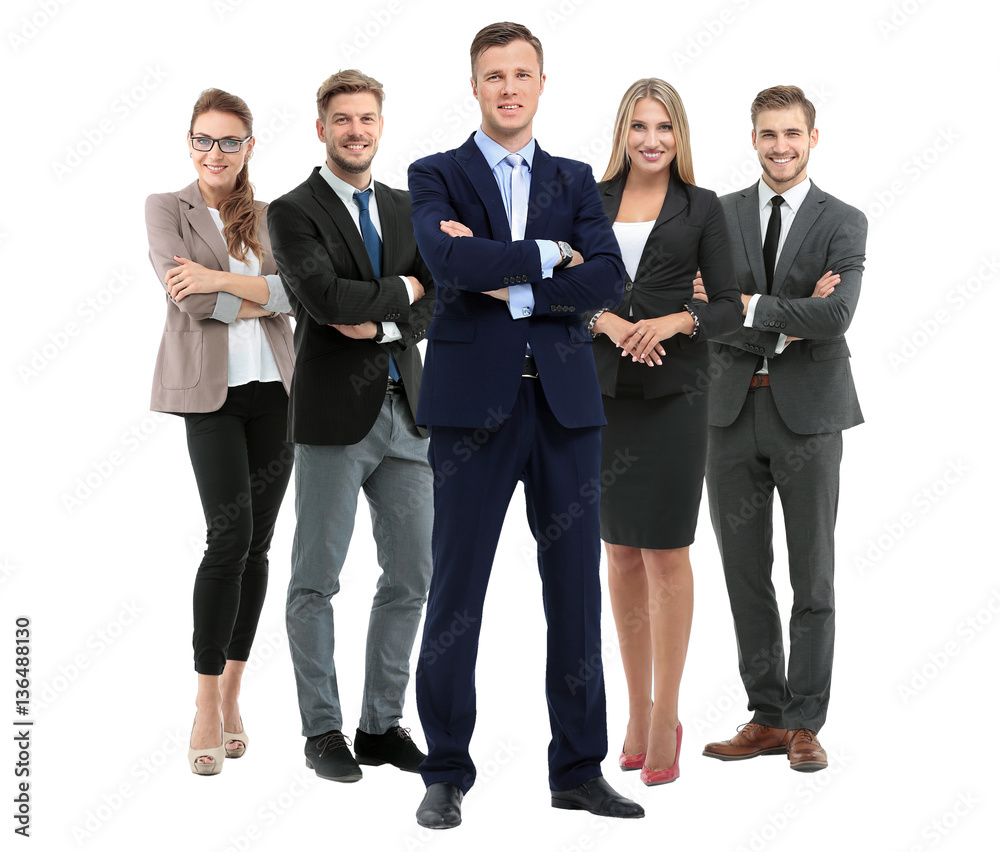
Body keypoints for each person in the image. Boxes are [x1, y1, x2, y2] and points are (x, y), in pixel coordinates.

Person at [408, 21, 643, 829]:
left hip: (567, 410)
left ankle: (578, 769)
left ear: (542, 84)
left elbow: (608, 278)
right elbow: (448, 265)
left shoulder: (578, 179)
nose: (509, 88)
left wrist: (506, 275)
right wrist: (549, 255)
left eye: (522, 74)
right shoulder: (433, 173)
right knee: (457, 594)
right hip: (470, 414)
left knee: (576, 596)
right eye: (494, 75)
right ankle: (444, 771)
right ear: (474, 86)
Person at [266, 70, 435, 783]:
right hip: (336, 418)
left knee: (412, 576)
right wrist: (402, 292)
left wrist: (387, 311)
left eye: (366, 118)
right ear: (321, 128)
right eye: (342, 120)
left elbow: (442, 299)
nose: (356, 131)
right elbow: (324, 298)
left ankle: (379, 724)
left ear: (380, 124)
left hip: (410, 415)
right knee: (316, 579)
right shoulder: (292, 209)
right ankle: (322, 731)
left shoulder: (406, 205)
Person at [698, 85, 867, 772]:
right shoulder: (717, 214)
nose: (780, 147)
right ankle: (766, 716)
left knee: (813, 576)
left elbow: (837, 318)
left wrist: (744, 305)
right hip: (728, 415)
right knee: (744, 574)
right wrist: (783, 323)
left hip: (810, 420)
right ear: (753, 138)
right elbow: (697, 310)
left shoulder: (843, 220)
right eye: (768, 134)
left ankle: (805, 723)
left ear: (813, 138)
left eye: (792, 134)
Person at [588, 79, 742, 787]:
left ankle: (666, 715)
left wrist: (675, 321)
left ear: (679, 136)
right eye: (640, 126)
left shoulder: (702, 207)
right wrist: (613, 323)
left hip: (676, 393)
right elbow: (563, 292)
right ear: (622, 131)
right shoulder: (586, 199)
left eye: (665, 128)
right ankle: (635, 706)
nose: (652, 140)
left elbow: (730, 307)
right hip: (602, 392)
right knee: (619, 552)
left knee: (666, 552)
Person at [145, 88, 295, 775]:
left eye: (230, 141)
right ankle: (205, 701)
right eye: (204, 139)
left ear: (249, 147)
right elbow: (192, 298)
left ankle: (235, 691)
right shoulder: (164, 209)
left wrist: (240, 286)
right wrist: (250, 292)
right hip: (210, 397)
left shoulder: (271, 216)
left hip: (279, 393)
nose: (216, 152)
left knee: (259, 544)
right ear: (190, 142)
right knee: (227, 536)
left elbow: (300, 297)